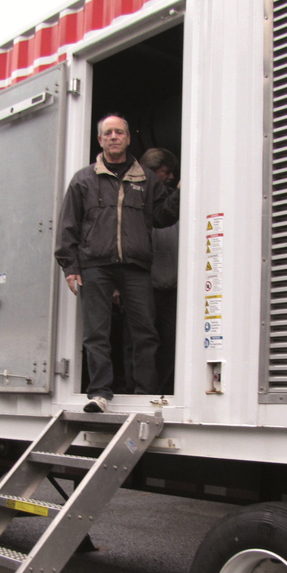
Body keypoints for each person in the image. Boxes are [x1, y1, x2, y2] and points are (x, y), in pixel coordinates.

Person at [56, 114, 180, 412]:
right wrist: (70, 267)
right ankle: (99, 393)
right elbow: (68, 226)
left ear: (127, 139)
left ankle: (145, 394)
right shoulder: (83, 179)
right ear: (100, 140)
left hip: (136, 267)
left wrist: (181, 191)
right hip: (95, 267)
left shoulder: (147, 180)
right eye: (108, 133)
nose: (114, 137)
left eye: (120, 132)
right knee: (96, 333)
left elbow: (163, 216)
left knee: (145, 333)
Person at [139, 148, 180, 395]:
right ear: (152, 172)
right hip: (144, 285)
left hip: (173, 286)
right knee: (143, 342)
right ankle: (141, 392)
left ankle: (163, 392)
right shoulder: (137, 199)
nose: (171, 177)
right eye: (166, 172)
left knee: (170, 343)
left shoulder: (175, 202)